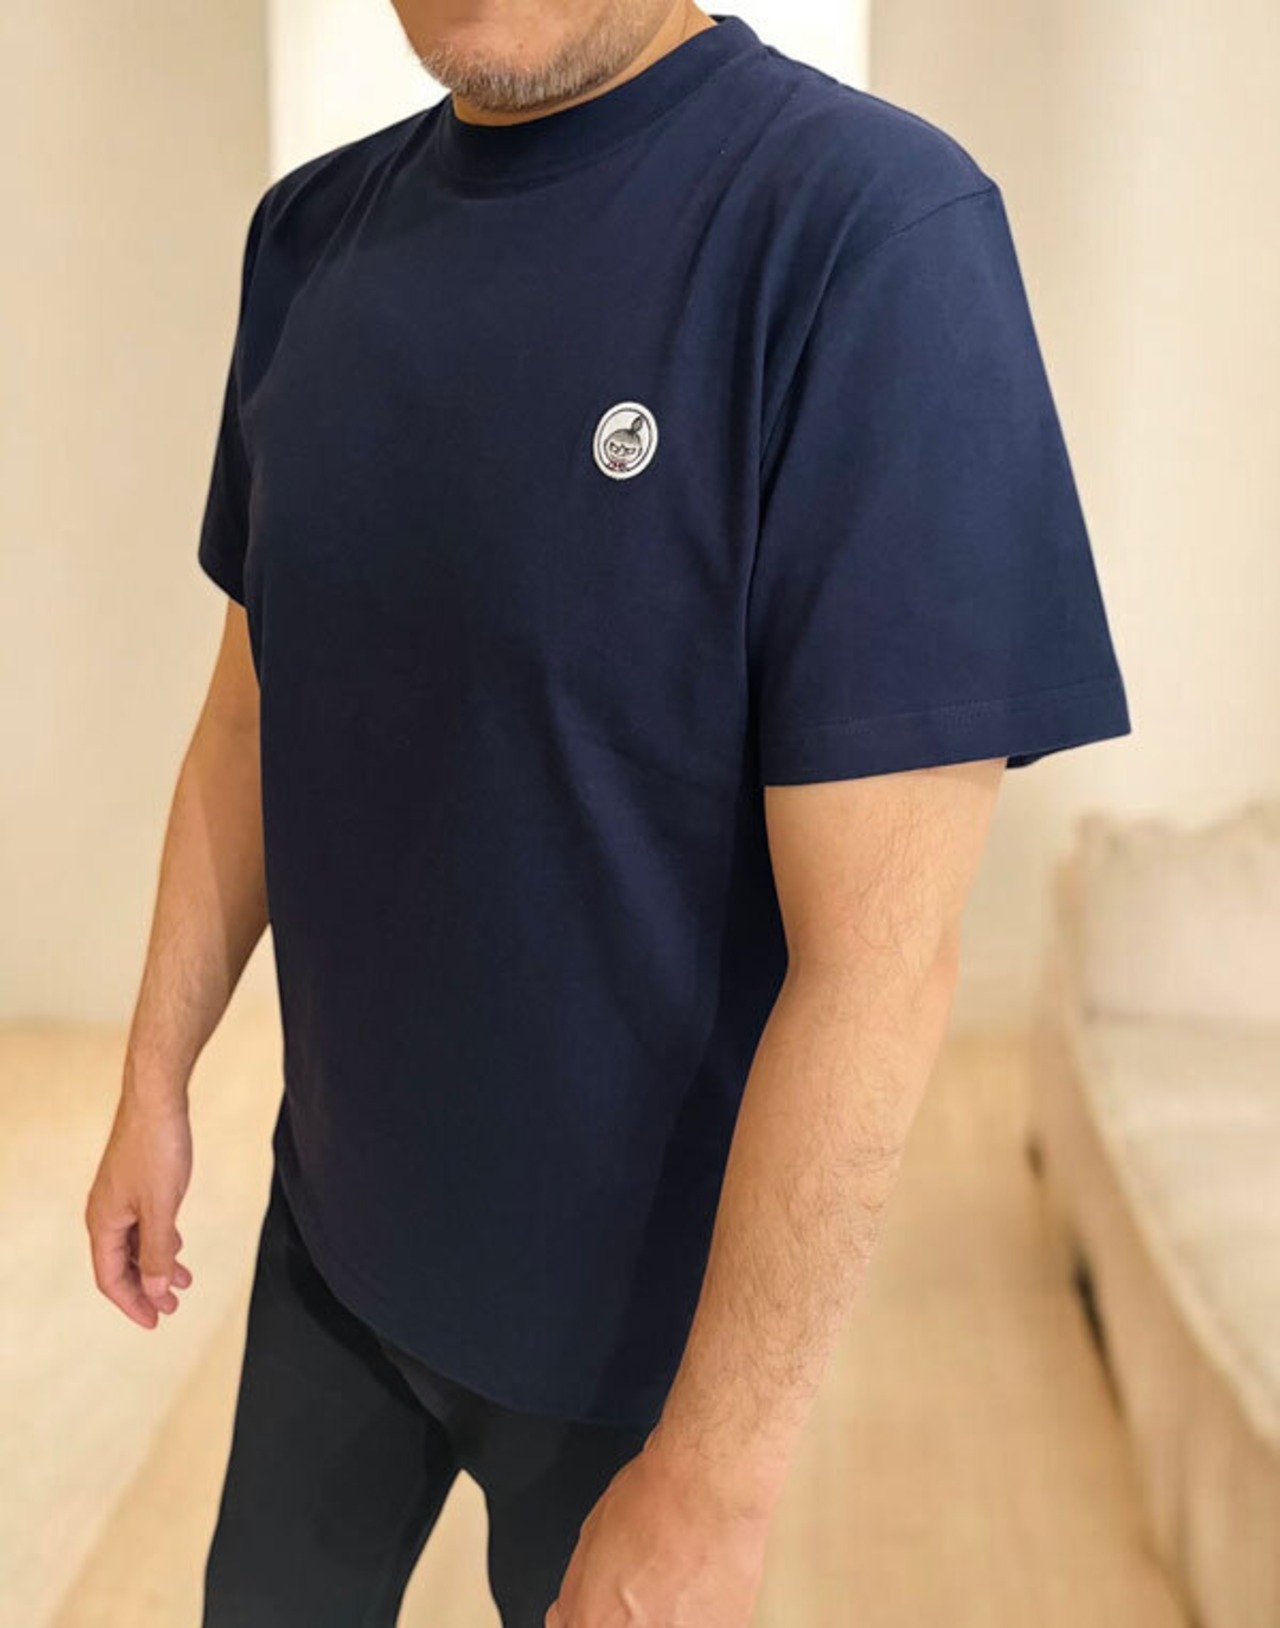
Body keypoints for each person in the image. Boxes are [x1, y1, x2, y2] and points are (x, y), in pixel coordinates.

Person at [83, 3, 1133, 1624]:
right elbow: (248, 716)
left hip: (641, 1352)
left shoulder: (865, 234)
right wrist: (156, 1077)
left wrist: (719, 1475)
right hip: (335, 1239)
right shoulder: (309, 240)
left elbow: (878, 961)